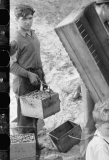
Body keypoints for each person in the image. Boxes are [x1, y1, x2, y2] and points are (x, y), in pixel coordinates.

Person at [78, 0, 109, 159]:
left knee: (106, 121)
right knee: (90, 123)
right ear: (103, 6)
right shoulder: (85, 21)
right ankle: (86, 155)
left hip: (108, 78)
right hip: (89, 78)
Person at [10, 4, 48, 157]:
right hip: (23, 84)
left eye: (30, 18)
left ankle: (35, 148)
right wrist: (28, 74)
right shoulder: (15, 40)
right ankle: (25, 155)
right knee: (25, 122)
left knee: (34, 118)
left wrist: (42, 77)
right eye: (23, 19)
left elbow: (36, 59)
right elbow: (11, 65)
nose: (27, 22)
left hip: (35, 81)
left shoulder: (33, 34)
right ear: (16, 19)